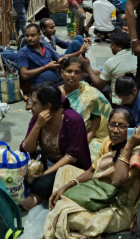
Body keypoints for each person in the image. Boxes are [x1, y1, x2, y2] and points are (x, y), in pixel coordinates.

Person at [44, 109, 140, 239]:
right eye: (112, 124)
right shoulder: (108, 142)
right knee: (65, 170)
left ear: (131, 129)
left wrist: (128, 146)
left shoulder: (139, 154)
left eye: (122, 126)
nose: (115, 130)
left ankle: (73, 221)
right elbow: (91, 172)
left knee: (68, 218)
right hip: (98, 188)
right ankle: (81, 224)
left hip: (118, 207)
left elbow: (117, 180)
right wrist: (67, 186)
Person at [19, 82, 92, 211]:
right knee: (19, 165)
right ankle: (39, 190)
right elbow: (27, 148)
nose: (30, 106)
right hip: (48, 159)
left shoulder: (73, 120)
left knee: (41, 183)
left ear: (47, 106)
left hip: (69, 166)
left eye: (35, 103)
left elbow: (71, 156)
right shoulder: (38, 118)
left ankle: (37, 195)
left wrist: (45, 173)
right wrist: (38, 125)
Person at [59, 56, 112, 160]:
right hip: (58, 137)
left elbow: (96, 119)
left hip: (83, 137)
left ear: (82, 75)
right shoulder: (54, 93)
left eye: (77, 72)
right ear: (62, 73)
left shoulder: (90, 94)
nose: (72, 75)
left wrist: (86, 139)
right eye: (69, 71)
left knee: (98, 159)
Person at [80, 30, 137, 106]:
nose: (110, 46)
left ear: (120, 47)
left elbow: (99, 85)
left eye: (112, 44)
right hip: (134, 95)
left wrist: (87, 66)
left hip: (119, 102)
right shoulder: (136, 54)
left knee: (91, 84)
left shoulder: (111, 61)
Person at [17, 24, 64, 93]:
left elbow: (59, 59)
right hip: (40, 87)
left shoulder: (46, 47)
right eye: (27, 36)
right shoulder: (23, 52)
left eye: (33, 35)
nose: (29, 38)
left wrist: (61, 61)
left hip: (57, 82)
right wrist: (46, 67)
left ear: (39, 35)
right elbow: (24, 75)